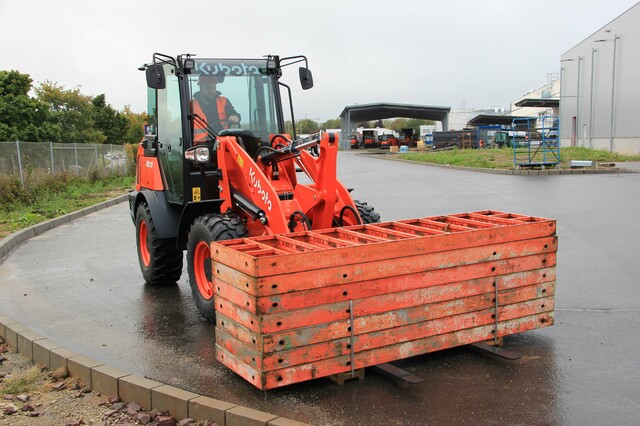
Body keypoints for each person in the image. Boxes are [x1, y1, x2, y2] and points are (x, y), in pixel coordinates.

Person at [192, 74, 241, 141]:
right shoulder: (192, 105)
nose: (211, 91)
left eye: (213, 88)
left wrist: (234, 118)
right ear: (201, 88)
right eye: (208, 88)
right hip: (200, 145)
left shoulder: (224, 102)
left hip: (223, 141)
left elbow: (233, 114)